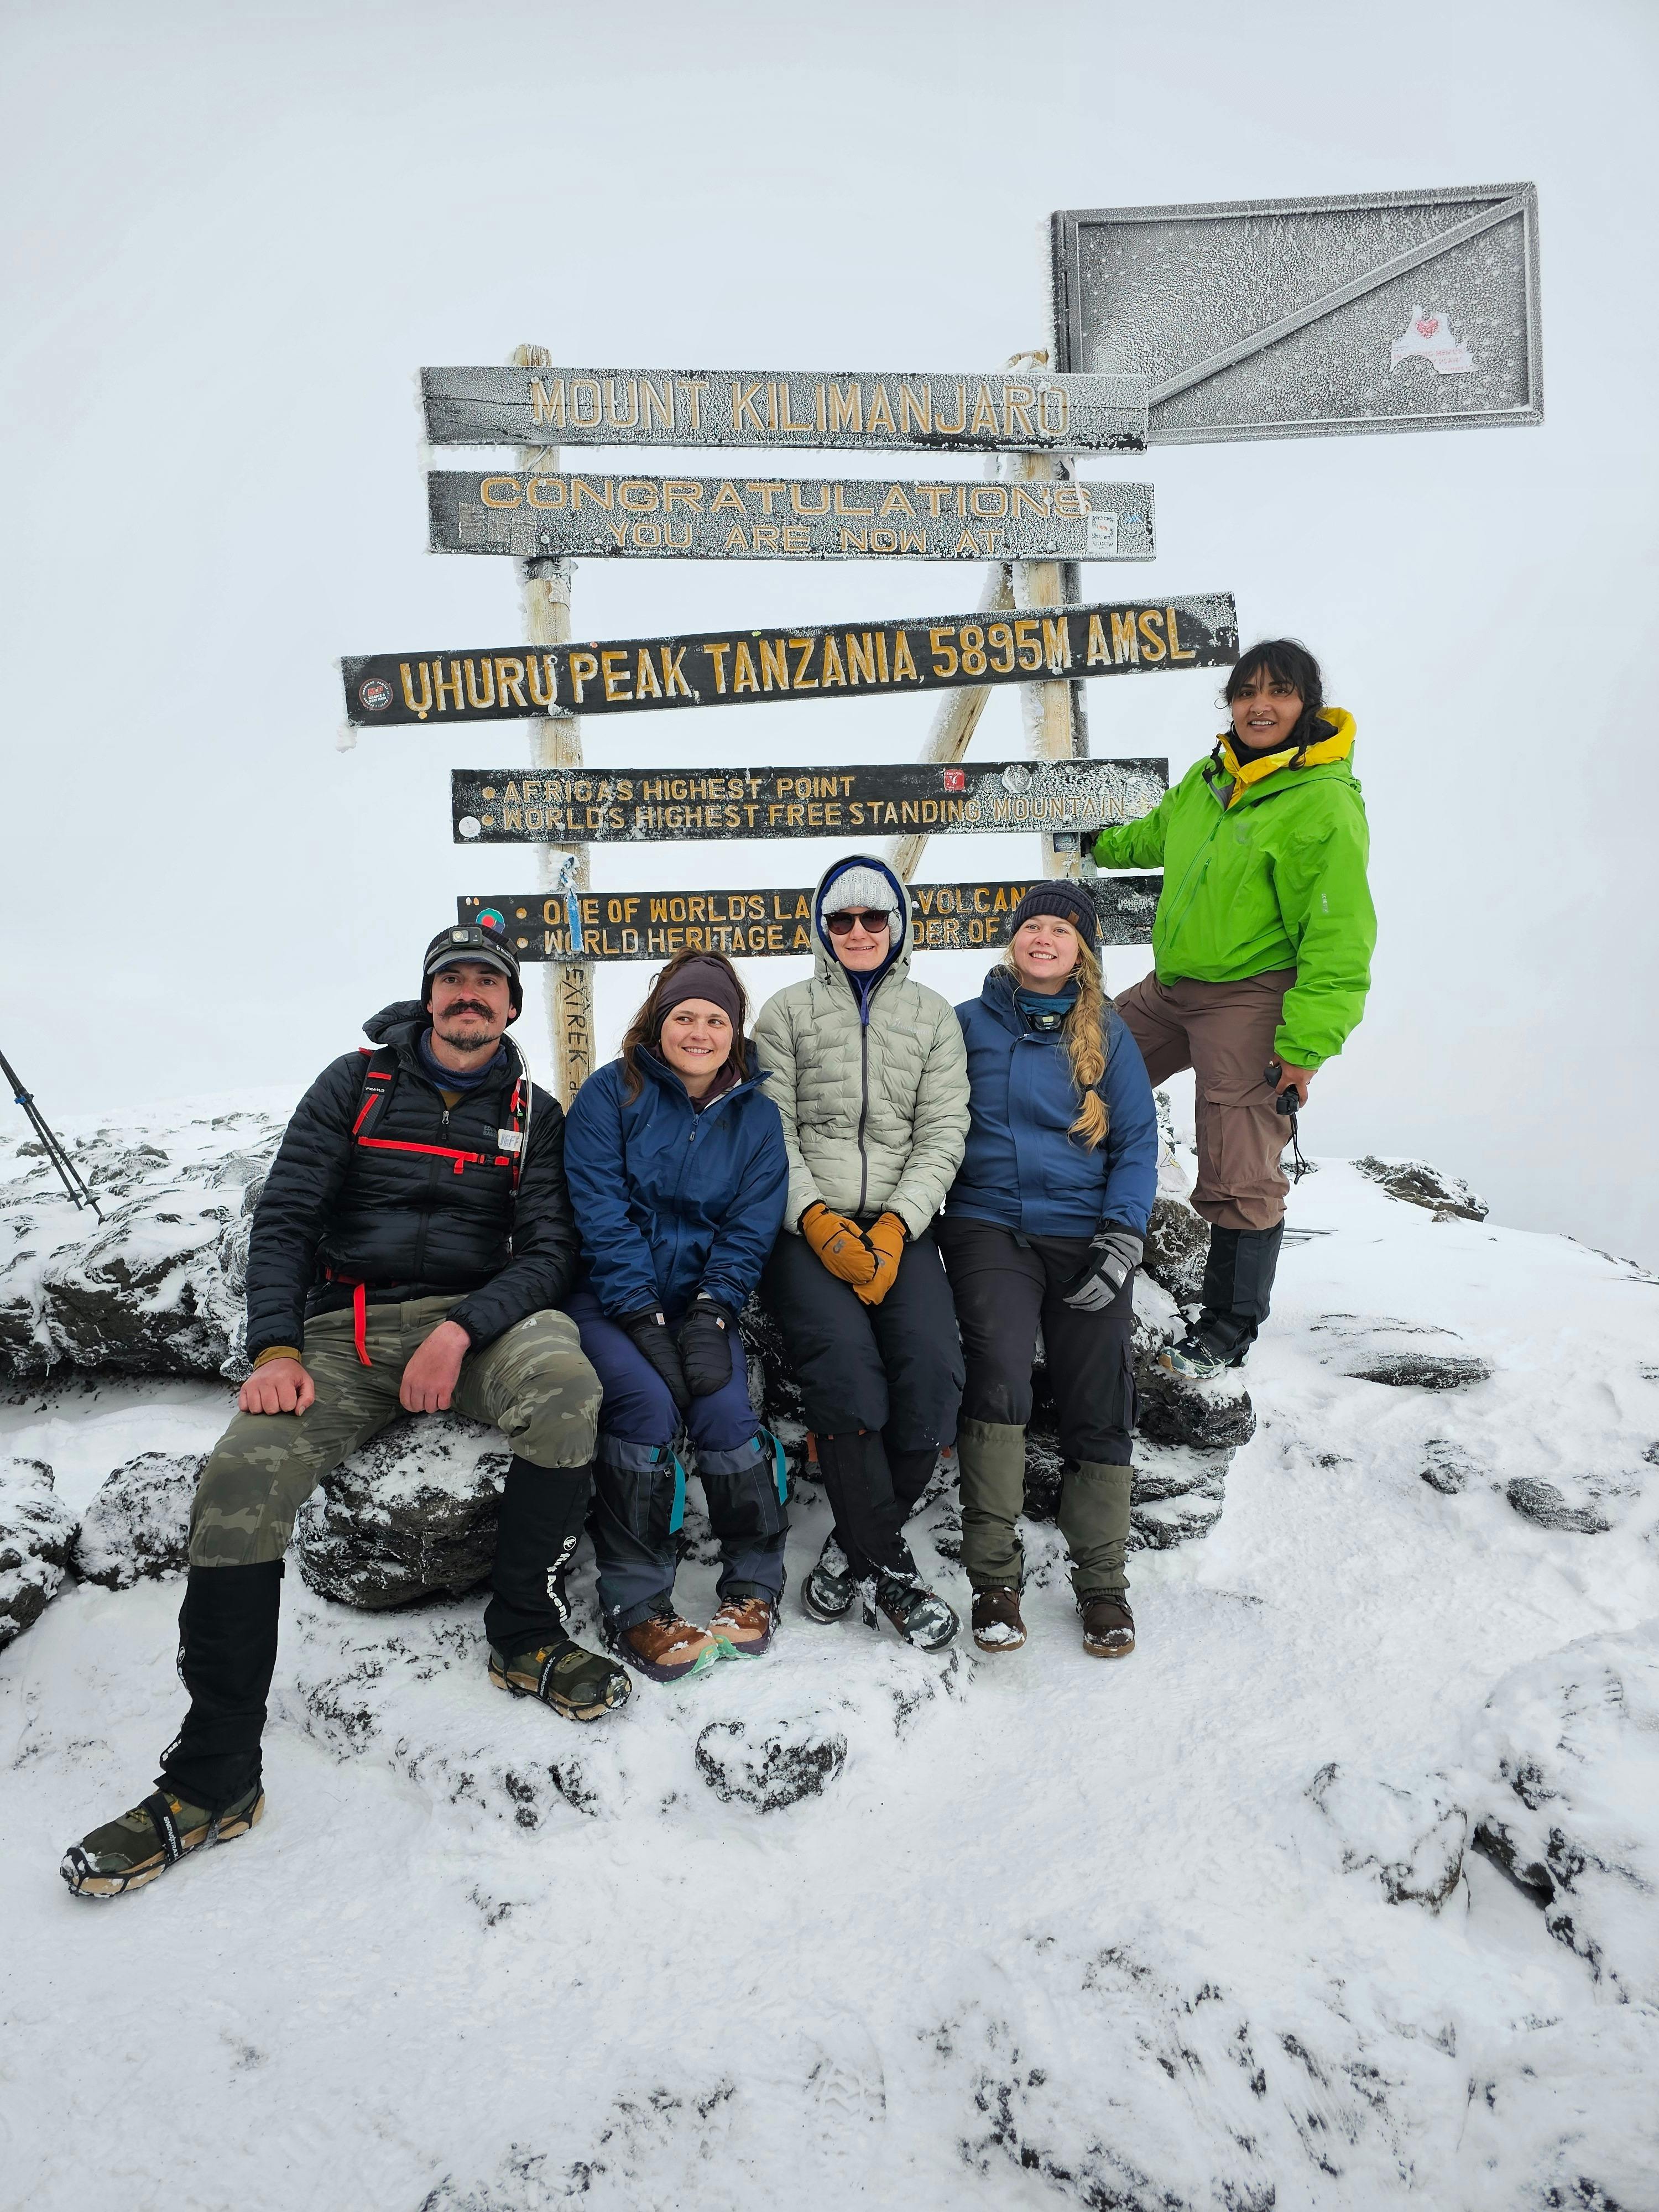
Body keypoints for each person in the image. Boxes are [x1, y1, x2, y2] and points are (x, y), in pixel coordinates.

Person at [61, 921, 625, 1901]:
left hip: (480, 1326)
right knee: (239, 1479)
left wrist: (463, 1330)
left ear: (510, 1005)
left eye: (487, 983)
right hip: (345, 1335)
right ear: (428, 995)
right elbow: (285, 1219)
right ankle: (215, 1775)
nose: (468, 995)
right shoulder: (353, 1084)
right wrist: (275, 1348)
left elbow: (549, 1252)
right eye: (452, 979)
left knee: (569, 1391)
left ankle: (523, 1633)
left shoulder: (534, 1113)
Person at [1092, 639, 1376, 1378]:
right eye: (1247, 691)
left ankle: (1228, 1324)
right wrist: (1101, 844)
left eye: (1279, 691)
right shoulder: (1211, 776)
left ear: (1306, 704)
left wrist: (1304, 1048)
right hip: (1171, 988)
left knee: (1238, 1161)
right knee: (1078, 1065)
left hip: (1253, 996)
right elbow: (1159, 835)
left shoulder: (1323, 802)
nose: (1260, 705)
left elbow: (1340, 937)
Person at [753, 855, 968, 1651]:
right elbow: (770, 1127)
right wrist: (813, 1219)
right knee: (847, 1377)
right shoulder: (786, 1012)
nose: (858, 932)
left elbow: (943, 1130)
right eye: (841, 919)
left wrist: (897, 1226)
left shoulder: (933, 1017)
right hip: (805, 1230)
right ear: (821, 928)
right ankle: (891, 1573)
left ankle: (851, 1546)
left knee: (934, 1376)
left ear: (898, 925)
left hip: (899, 1230)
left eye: (874, 917)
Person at [940, 883, 1159, 1660]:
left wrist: (1121, 1235)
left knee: (1100, 1388)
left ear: (1082, 951)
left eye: (1060, 930)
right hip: (988, 1224)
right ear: (1013, 940)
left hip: (1084, 1229)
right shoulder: (964, 1024)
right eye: (1031, 925)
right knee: (998, 1373)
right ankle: (994, 1580)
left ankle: (1102, 1583)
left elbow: (1137, 1143)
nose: (1043, 938)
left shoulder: (1111, 1033)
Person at [562, 952, 790, 1684]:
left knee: (726, 1411)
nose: (699, 1032)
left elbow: (750, 1227)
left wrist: (714, 1310)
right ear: (657, 1023)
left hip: (701, 1304)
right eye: (684, 1016)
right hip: (608, 1299)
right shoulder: (610, 1094)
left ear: (735, 1032)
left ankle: (754, 1585)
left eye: (716, 1020)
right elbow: (599, 1211)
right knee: (646, 1405)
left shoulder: (757, 1116)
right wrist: (640, 1313)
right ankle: (636, 1606)